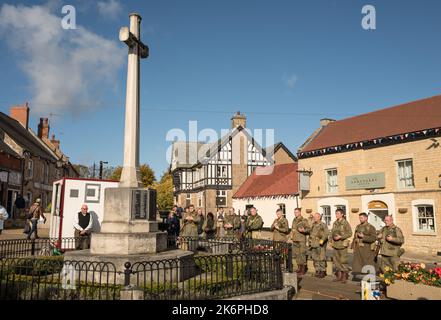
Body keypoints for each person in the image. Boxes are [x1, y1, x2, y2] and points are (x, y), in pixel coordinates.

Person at [330, 208, 353, 283]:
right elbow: (332, 232)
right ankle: (339, 276)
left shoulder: (345, 223)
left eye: (338, 213)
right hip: (335, 244)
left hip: (342, 245)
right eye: (336, 213)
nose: (336, 215)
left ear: (342, 214)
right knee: (336, 261)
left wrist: (341, 237)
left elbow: (350, 233)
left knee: (343, 261)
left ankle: (344, 277)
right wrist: (330, 239)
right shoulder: (335, 223)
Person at [290, 208, 310, 275]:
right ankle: (299, 268)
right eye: (294, 212)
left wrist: (303, 230)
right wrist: (291, 235)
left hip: (301, 239)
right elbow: (293, 229)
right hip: (295, 239)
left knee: (302, 254)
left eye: (297, 212)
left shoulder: (304, 220)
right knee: (297, 254)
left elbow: (308, 229)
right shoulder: (294, 220)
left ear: (300, 212)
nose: (295, 213)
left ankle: (303, 269)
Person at [309, 213, 329, 278]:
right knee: (315, 258)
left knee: (321, 258)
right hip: (313, 244)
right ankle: (317, 271)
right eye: (314, 217)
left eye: (316, 217)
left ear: (319, 217)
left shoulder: (323, 225)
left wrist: (322, 241)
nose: (315, 218)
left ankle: (323, 271)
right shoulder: (313, 225)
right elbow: (310, 233)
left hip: (320, 244)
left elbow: (326, 234)